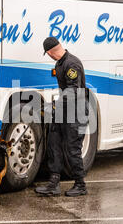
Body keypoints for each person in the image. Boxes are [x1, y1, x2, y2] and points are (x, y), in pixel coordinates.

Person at [35, 36, 88, 197]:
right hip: (63, 112)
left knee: (72, 149)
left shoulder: (72, 64)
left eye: (48, 53)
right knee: (54, 144)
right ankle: (54, 183)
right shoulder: (59, 64)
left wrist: (56, 103)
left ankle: (80, 184)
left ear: (50, 52)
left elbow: (73, 91)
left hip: (76, 112)